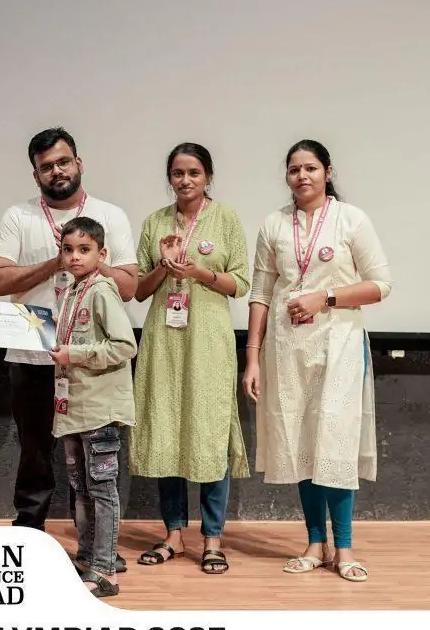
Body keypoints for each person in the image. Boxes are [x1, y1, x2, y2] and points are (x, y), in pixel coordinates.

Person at [0, 127, 138, 567]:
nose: (57, 171)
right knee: (35, 452)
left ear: (79, 163)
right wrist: (56, 260)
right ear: (36, 174)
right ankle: (29, 538)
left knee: (91, 460)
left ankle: (97, 546)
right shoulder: (19, 216)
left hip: (88, 363)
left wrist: (86, 259)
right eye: (46, 166)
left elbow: (129, 287)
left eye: (63, 161)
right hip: (34, 353)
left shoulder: (110, 215)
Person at [243, 139, 393, 583]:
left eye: (310, 168)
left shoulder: (351, 219)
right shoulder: (274, 224)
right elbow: (260, 294)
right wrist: (252, 358)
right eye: (294, 169)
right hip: (287, 349)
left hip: (339, 345)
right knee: (300, 444)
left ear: (328, 172)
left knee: (335, 443)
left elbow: (381, 285)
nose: (302, 176)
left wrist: (324, 298)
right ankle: (314, 543)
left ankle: (344, 548)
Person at [129, 143, 251, 574]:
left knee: (210, 432)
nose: (185, 180)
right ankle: (174, 536)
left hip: (209, 342)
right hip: (164, 341)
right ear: (170, 178)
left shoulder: (227, 219)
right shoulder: (155, 222)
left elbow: (241, 284)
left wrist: (200, 273)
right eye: (178, 173)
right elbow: (138, 291)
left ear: (208, 177)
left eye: (194, 173)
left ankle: (213, 538)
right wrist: (163, 267)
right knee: (167, 430)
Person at [47, 217, 137, 598]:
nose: (74, 257)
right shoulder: (70, 291)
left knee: (101, 489)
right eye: (68, 249)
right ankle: (86, 558)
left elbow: (125, 345)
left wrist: (75, 354)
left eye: (84, 250)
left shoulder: (102, 291)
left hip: (100, 409)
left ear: (102, 255)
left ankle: (105, 570)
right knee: (80, 487)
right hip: (74, 408)